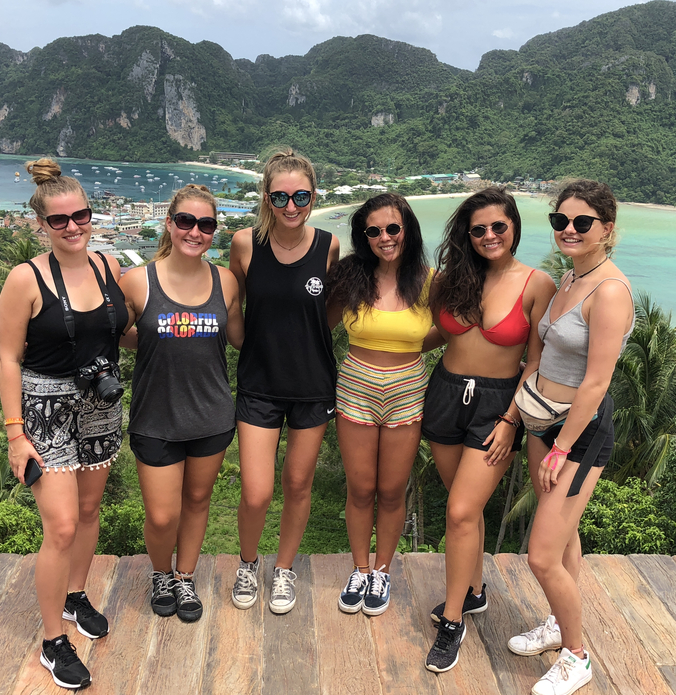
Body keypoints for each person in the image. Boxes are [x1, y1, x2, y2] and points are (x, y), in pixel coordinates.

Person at [0, 158, 130, 690]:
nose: (73, 227)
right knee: (62, 526)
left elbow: (121, 329)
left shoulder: (108, 265)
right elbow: (8, 357)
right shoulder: (24, 279)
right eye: (60, 220)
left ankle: (76, 595)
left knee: (92, 508)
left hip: (100, 403)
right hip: (44, 410)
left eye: (82, 216)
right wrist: (14, 434)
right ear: (42, 225)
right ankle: (54, 639)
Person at [507, 179, 633, 695]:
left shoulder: (609, 291)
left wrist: (562, 447)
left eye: (583, 222)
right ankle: (561, 624)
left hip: (578, 433)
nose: (569, 230)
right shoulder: (569, 279)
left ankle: (576, 656)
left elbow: (597, 381)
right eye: (561, 221)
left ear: (607, 229)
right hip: (545, 421)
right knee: (564, 536)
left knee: (540, 554)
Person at [422, 188, 556, 673]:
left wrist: (509, 420)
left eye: (498, 226)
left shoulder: (538, 283)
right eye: (478, 229)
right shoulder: (450, 280)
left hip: (497, 405)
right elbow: (435, 335)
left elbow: (537, 362)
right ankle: (475, 592)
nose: (489, 236)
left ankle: (452, 621)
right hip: (443, 394)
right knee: (465, 507)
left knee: (459, 512)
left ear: (514, 226)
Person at [120, 184, 244, 623]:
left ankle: (185, 576)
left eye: (206, 224)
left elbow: (239, 338)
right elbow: (117, 332)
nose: (196, 231)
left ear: (214, 231)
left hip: (211, 414)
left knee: (197, 500)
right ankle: (160, 573)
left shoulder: (225, 282)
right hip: (155, 416)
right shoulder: (137, 281)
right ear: (169, 224)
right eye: (186, 221)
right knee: (160, 514)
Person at [228, 147, 340, 614]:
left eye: (301, 196)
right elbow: (233, 302)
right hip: (259, 383)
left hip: (313, 385)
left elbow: (328, 314)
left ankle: (285, 569)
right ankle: (249, 562)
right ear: (266, 198)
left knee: (298, 484)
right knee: (256, 492)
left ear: (314, 195)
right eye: (280, 197)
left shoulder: (329, 245)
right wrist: (246, 345)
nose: (291, 206)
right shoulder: (244, 243)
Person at [326, 193, 442, 616]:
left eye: (393, 228)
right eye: (373, 231)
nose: (384, 237)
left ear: (407, 229)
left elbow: (448, 329)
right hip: (356, 384)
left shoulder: (430, 281)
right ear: (364, 236)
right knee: (360, 488)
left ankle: (382, 571)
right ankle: (360, 568)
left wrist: (410, 347)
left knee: (392, 490)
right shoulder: (350, 276)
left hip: (408, 388)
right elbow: (321, 322)